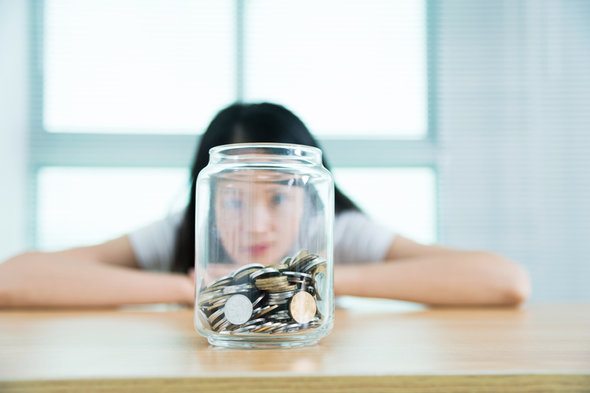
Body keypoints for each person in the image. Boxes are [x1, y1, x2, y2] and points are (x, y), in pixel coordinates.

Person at [0, 103, 531, 308]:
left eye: (277, 196)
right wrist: (188, 289)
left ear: (307, 194)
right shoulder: (181, 234)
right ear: (206, 198)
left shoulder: (334, 232)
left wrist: (318, 281)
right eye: (233, 200)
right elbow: (14, 279)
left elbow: (504, 280)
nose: (255, 222)